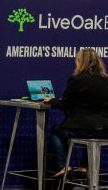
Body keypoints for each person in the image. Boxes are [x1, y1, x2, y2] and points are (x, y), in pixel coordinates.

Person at [45, 48, 108, 177]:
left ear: (81, 62)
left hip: (81, 129)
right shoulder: (106, 81)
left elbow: (64, 104)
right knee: (90, 135)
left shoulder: (76, 80)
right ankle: (84, 166)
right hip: (104, 131)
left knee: (57, 129)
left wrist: (51, 100)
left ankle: (64, 166)